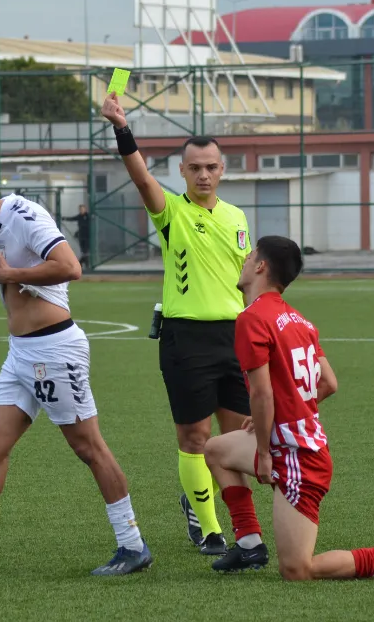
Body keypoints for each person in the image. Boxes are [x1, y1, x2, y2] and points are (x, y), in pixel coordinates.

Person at [0, 182, 152, 576]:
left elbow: (71, 267)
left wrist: (11, 273)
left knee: (89, 447)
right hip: (20, 353)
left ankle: (133, 545)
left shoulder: (25, 215)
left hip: (54, 351)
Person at [203, 235, 374, 580]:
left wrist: (264, 452)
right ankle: (248, 545)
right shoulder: (299, 320)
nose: (244, 260)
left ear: (261, 266)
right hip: (293, 443)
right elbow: (328, 383)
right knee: (216, 450)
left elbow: (262, 394)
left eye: (250, 256)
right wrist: (283, 413)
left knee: (297, 569)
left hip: (298, 457)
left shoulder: (252, 317)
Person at [102, 92, 252, 556]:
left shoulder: (237, 217)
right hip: (186, 339)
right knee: (195, 438)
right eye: (195, 168)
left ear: (222, 170)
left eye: (211, 167)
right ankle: (211, 530)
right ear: (182, 171)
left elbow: (247, 281)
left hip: (236, 337)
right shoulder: (170, 212)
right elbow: (140, 177)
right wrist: (121, 128)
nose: (204, 174)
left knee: (237, 439)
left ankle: (218, 511)